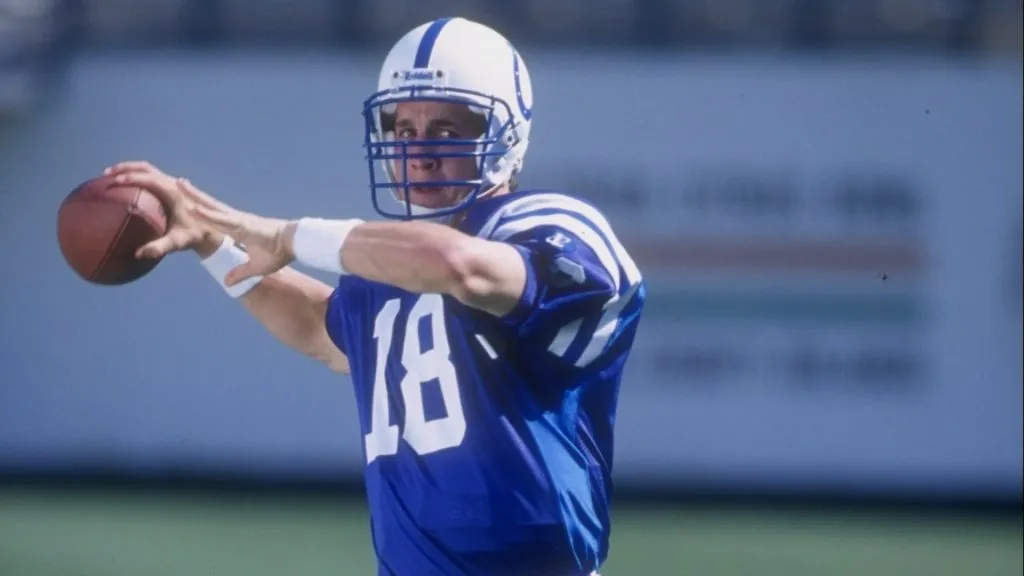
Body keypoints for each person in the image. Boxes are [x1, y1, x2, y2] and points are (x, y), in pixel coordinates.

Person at [105, 17, 645, 576]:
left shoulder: (544, 224)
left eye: (448, 128)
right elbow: (322, 329)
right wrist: (214, 245)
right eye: (404, 129)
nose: (420, 151)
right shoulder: (379, 258)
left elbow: (460, 266)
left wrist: (290, 235)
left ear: (506, 135)